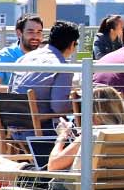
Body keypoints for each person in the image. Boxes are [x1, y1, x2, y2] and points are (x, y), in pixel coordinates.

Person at [0, 85, 124, 175]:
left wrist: (62, 137)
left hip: (61, 187)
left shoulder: (92, 134)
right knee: (21, 167)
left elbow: (53, 165)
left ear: (96, 113)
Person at [9, 21, 80, 165]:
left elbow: (10, 90)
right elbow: (59, 108)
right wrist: (78, 105)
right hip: (38, 131)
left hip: (12, 127)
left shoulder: (24, 58)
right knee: (81, 135)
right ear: (72, 44)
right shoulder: (61, 67)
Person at [0, 14, 45, 86]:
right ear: (19, 33)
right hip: (11, 97)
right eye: (30, 32)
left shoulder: (47, 58)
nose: (35, 36)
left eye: (39, 32)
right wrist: (26, 91)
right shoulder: (0, 58)